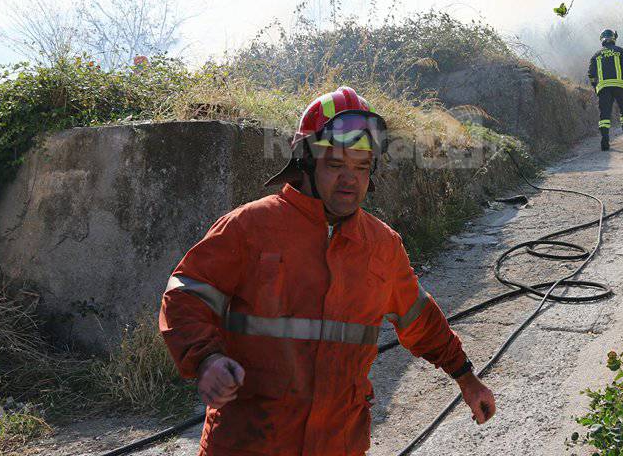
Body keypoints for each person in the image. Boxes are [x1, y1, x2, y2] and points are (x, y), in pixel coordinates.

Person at [159, 86, 496, 456]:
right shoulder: (250, 226)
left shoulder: (381, 246)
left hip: (339, 444)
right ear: (305, 162)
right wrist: (206, 359)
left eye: (361, 167)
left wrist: (466, 378)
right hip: (248, 444)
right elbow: (185, 294)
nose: (350, 180)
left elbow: (419, 320)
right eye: (336, 165)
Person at [588, 29, 623, 150]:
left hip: (604, 89)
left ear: (602, 39)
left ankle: (605, 141)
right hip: (620, 87)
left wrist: (596, 88)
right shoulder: (620, 51)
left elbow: (591, 74)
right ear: (613, 38)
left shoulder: (596, 55)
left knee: (604, 115)